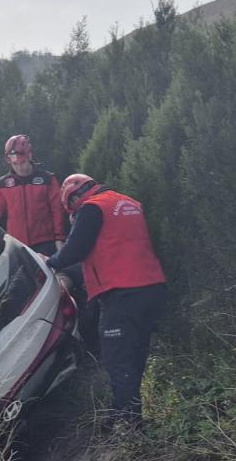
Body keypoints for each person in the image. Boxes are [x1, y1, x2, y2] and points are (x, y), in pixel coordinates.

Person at [45, 174, 167, 429]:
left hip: (122, 293)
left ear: (75, 198)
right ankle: (119, 412)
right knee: (135, 353)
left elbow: (75, 249)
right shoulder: (129, 202)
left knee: (117, 358)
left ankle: (131, 424)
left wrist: (49, 263)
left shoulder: (91, 209)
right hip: (152, 287)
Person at [0, 134, 66, 255]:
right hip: (17, 245)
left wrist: (59, 239)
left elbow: (57, 211)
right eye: (15, 165)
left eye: (22, 163)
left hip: (46, 243)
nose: (19, 168)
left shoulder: (47, 179)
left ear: (30, 156)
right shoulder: (3, 184)